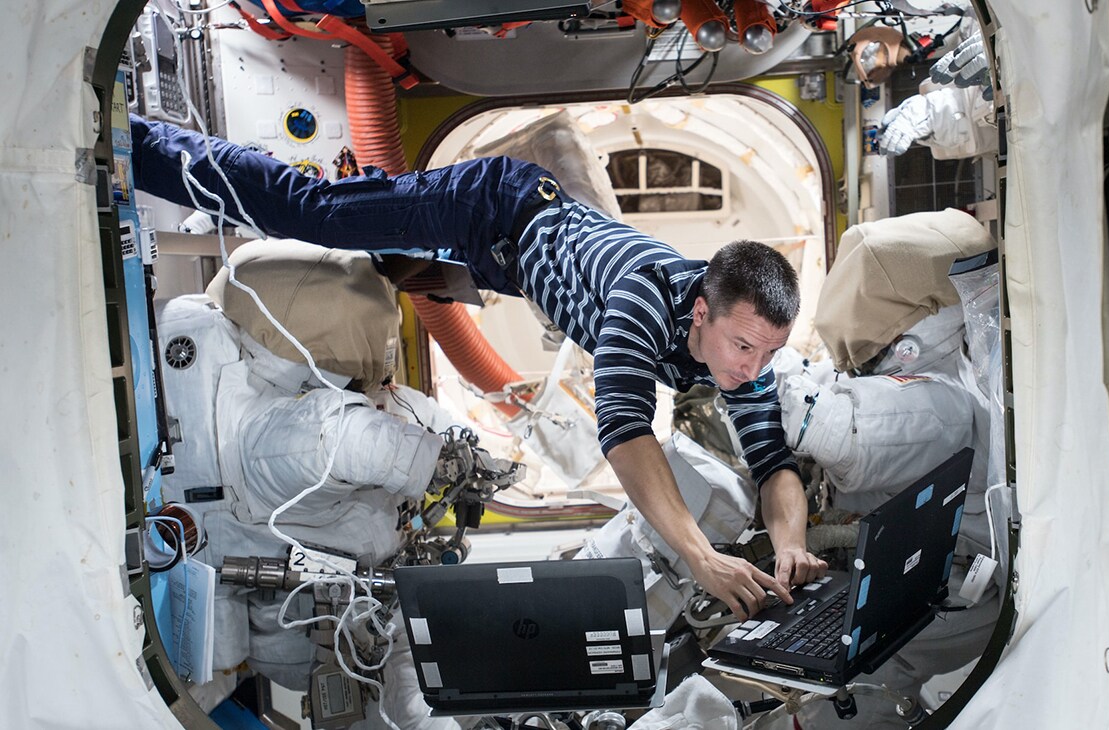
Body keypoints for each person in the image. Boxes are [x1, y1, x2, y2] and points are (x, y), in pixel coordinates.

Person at [130, 115, 826, 620]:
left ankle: (379, 214)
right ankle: (140, 145)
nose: (753, 367)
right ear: (701, 311)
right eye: (743, 347)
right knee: (311, 213)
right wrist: (701, 557)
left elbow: (775, 465)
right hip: (494, 207)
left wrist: (790, 544)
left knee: (388, 254)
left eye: (767, 351)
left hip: (514, 257)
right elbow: (625, 434)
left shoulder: (747, 353)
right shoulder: (642, 298)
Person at [157, 238, 468, 728]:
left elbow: (389, 421)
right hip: (243, 549)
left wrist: (452, 456)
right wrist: (443, 461)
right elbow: (345, 440)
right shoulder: (289, 432)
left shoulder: (300, 399)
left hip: (273, 583)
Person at [773, 209, 1003, 729]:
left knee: (847, 704)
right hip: (912, 584)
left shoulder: (938, 405)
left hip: (930, 603)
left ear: (904, 340)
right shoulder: (940, 382)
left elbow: (827, 426)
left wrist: (756, 352)